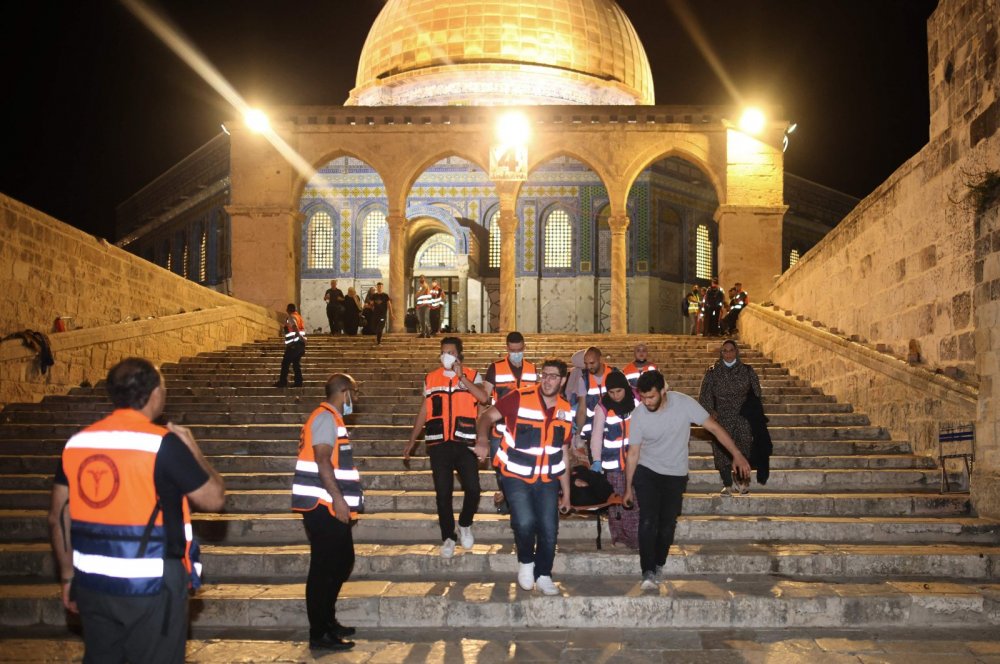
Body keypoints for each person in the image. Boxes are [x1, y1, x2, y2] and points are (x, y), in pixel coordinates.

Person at [48, 358, 225, 664]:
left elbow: (58, 515)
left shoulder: (77, 443)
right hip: (151, 583)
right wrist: (194, 449)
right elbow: (213, 498)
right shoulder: (162, 444)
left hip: (93, 581)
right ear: (155, 393)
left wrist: (67, 576)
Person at [623, 369, 749, 591]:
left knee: (667, 525)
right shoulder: (639, 414)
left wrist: (736, 454)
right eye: (642, 397)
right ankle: (647, 571)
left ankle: (659, 563)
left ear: (664, 390)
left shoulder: (684, 404)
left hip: (675, 473)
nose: (646, 401)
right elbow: (633, 453)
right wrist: (627, 488)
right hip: (647, 470)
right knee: (648, 520)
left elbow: (714, 428)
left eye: (651, 396)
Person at [475, 358, 573, 596]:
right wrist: (482, 440)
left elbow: (562, 452)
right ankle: (526, 562)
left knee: (549, 528)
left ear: (563, 380)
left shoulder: (565, 409)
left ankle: (544, 575)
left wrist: (567, 492)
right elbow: (485, 417)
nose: (547, 380)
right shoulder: (519, 396)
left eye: (553, 376)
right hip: (515, 475)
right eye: (545, 375)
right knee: (525, 522)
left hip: (547, 478)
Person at [291, 373, 364, 651]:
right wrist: (339, 500)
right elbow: (322, 461)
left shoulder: (333, 419)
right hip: (322, 506)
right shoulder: (324, 418)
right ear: (343, 391)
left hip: (328, 505)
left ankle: (328, 620)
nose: (355, 399)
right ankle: (319, 632)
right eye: (354, 393)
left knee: (342, 562)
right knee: (323, 569)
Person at [404, 337, 488, 558]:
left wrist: (463, 379)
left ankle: (465, 523)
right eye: (443, 351)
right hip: (439, 443)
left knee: (473, 489)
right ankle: (448, 537)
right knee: (443, 493)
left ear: (459, 354)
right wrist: (413, 439)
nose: (446, 355)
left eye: (450, 351)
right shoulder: (431, 378)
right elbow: (424, 410)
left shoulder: (473, 374)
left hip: (465, 441)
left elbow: (483, 398)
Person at [698, 340, 762, 495]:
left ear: (736, 351)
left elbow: (757, 393)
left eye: (731, 350)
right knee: (722, 450)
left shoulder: (747, 371)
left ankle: (742, 481)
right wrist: (710, 411)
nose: (728, 354)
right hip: (722, 415)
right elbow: (705, 394)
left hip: (742, 416)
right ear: (721, 352)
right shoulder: (713, 372)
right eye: (725, 351)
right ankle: (727, 483)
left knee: (744, 447)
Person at [482, 331, 538, 509]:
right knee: (501, 471)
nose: (516, 353)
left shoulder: (532, 368)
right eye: (513, 350)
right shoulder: (495, 368)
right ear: (507, 348)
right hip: (500, 431)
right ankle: (508, 502)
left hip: (526, 430)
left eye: (519, 349)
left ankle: (518, 504)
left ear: (524, 347)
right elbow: (484, 395)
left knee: (523, 470)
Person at [588, 369, 640, 548]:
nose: (616, 396)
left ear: (626, 388)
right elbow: (596, 435)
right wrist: (596, 460)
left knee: (634, 502)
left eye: (619, 391)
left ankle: (636, 538)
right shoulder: (602, 406)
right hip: (614, 464)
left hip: (637, 461)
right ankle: (619, 537)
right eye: (611, 392)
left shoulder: (638, 400)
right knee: (616, 503)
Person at [575, 346, 613, 454]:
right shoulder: (583, 379)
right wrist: (578, 433)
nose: (588, 367)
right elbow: (582, 409)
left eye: (592, 363)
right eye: (586, 363)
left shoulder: (614, 374)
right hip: (592, 433)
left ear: (600, 359)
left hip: (613, 431)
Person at [275, 303, 306, 388]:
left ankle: (283, 382)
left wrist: (300, 337)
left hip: (294, 344)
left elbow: (294, 327)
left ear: (288, 310)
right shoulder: (299, 317)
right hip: (300, 345)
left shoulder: (291, 317)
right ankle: (298, 382)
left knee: (285, 363)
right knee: (296, 363)